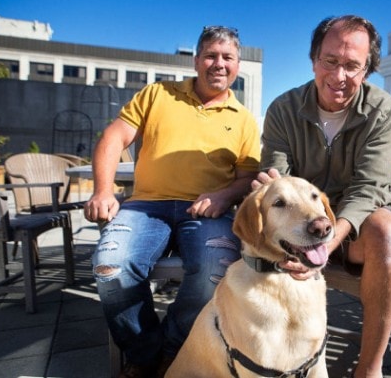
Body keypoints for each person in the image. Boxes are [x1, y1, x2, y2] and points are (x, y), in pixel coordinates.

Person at [84, 26, 260, 378]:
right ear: (196, 60)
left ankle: (174, 348)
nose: (218, 64)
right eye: (211, 55)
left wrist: (223, 195)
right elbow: (114, 136)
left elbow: (246, 179)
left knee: (216, 270)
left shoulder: (244, 119)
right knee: (111, 266)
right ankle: (144, 354)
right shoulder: (157, 94)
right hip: (146, 207)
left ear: (238, 65)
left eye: (228, 58)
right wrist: (103, 190)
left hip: (208, 212)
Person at [255, 15, 391, 378]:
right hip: (299, 223)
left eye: (352, 66)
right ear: (313, 60)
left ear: (367, 69)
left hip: (354, 229)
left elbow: (369, 188)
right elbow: (276, 177)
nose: (339, 77)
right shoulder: (283, 108)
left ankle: (370, 367)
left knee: (387, 231)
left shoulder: (383, 111)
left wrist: (325, 243)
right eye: (330, 61)